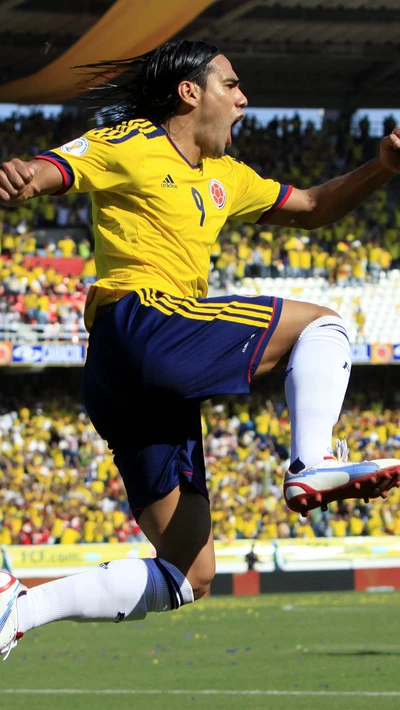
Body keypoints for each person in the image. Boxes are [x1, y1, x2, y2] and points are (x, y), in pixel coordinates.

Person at [0, 39, 399, 659]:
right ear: (191, 92)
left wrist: (383, 169)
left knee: (190, 574)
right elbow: (57, 167)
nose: (244, 99)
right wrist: (29, 176)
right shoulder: (130, 143)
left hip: (124, 379)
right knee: (325, 325)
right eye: (232, 85)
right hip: (145, 322)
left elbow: (315, 207)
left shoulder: (225, 176)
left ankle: (19, 609)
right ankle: (309, 465)